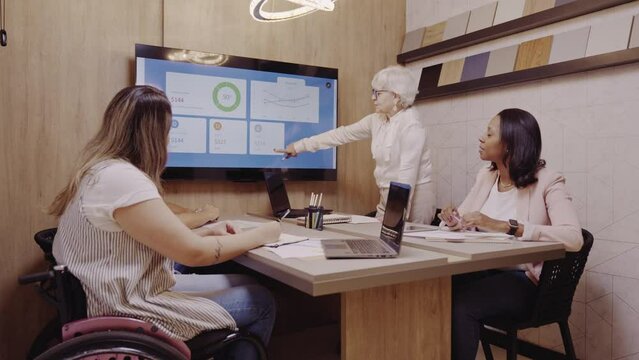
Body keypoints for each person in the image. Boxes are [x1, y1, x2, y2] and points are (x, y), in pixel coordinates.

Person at [49, 85, 281, 359]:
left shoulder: (101, 171)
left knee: (241, 280)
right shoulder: (122, 179)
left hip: (115, 289)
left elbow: (142, 234)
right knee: (261, 301)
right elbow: (194, 254)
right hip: (127, 304)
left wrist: (206, 230)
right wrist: (268, 232)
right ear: (155, 135)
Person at [438, 108, 584, 360]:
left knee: (462, 304)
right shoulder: (487, 176)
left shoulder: (548, 181)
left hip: (527, 282)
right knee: (433, 288)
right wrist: (453, 220)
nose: (481, 138)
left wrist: (509, 226)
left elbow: (574, 237)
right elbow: (463, 220)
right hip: (485, 270)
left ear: (510, 145)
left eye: (489, 133)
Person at [275, 65, 435, 224]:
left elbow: (407, 176)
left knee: (409, 248)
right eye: (373, 93)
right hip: (387, 195)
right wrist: (299, 146)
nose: (373, 98)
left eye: (378, 93)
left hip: (415, 200)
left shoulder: (411, 125)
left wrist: (396, 217)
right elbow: (341, 134)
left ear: (396, 96)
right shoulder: (376, 120)